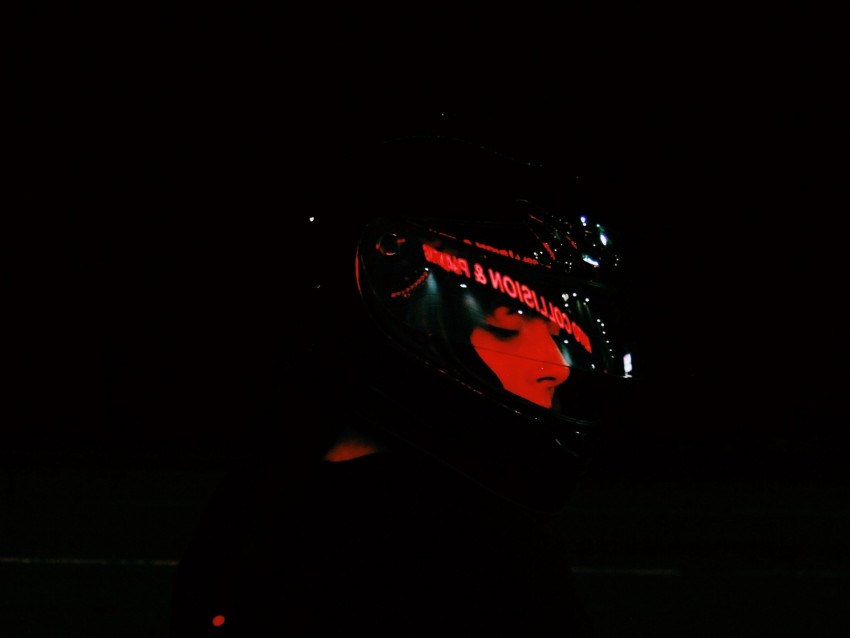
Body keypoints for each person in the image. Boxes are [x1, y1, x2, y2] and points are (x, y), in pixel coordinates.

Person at [168, 131, 637, 636]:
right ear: (415, 309)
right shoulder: (471, 543)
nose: (559, 366)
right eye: (507, 321)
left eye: (559, 333)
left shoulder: (257, 504)